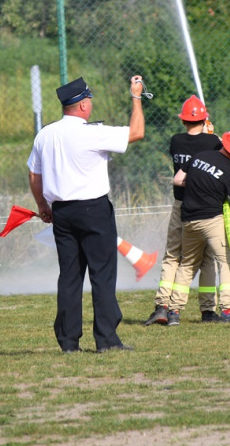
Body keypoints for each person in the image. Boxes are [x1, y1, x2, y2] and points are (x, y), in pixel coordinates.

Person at [28, 75, 145, 353]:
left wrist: (43, 205)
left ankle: (68, 342)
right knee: (102, 275)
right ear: (82, 106)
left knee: (69, 276)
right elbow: (137, 132)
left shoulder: (45, 134)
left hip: (62, 213)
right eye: (89, 100)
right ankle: (106, 339)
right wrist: (136, 97)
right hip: (93, 210)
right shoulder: (91, 132)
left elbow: (34, 172)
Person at [143, 95, 222, 327]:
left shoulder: (176, 141)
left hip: (180, 205)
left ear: (184, 120)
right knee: (207, 258)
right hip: (206, 207)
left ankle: (162, 306)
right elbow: (222, 154)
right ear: (204, 118)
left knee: (173, 256)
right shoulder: (212, 143)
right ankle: (208, 310)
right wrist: (212, 134)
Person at [165, 126, 230, 326]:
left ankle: (174, 312)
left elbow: (178, 180)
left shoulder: (200, 155)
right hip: (212, 221)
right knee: (225, 262)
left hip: (188, 219)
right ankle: (229, 309)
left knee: (187, 264)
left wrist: (199, 183)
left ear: (225, 141)